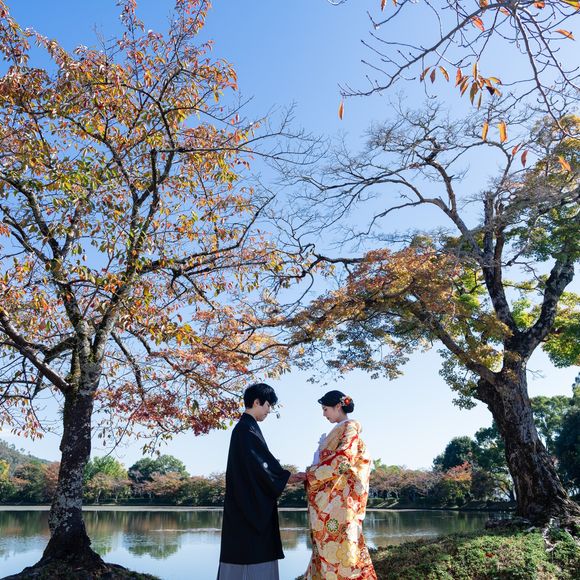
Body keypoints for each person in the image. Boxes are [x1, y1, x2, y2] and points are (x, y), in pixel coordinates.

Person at [218, 382, 302, 580]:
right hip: (247, 507)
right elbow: (260, 465)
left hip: (244, 503)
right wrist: (285, 477)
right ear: (257, 402)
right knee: (251, 550)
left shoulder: (246, 428)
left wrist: (283, 476)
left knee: (244, 550)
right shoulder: (245, 430)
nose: (269, 410)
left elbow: (260, 464)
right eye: (268, 405)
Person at [303, 390, 377, 580]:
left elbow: (343, 460)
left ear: (338, 406)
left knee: (344, 552)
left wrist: (311, 474)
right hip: (333, 502)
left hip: (340, 503)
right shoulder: (340, 430)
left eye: (325, 409)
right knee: (331, 550)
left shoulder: (350, 427)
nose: (324, 414)